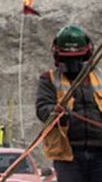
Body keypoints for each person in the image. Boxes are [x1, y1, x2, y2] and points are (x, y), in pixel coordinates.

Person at [38, 24, 102, 181]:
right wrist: (56, 112)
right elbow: (42, 108)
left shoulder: (100, 76)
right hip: (68, 155)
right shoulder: (49, 79)